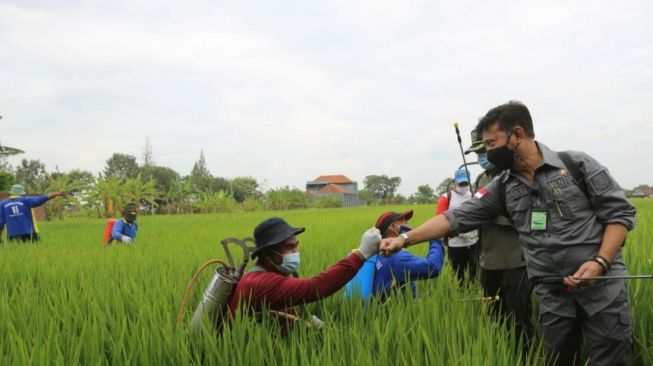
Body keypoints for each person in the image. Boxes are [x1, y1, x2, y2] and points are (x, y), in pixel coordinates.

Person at [380, 101, 636, 366]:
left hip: (603, 294)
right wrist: (403, 239)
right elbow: (454, 218)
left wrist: (600, 262)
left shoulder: (576, 165)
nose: (488, 152)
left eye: (492, 143)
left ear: (517, 134)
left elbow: (619, 215)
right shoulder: (503, 186)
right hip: (554, 299)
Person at [228, 217, 381, 333]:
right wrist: (361, 254)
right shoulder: (261, 282)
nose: (295, 252)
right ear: (268, 253)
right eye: (290, 247)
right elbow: (315, 287)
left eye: (296, 246)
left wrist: (306, 324)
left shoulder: (268, 274)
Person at [465, 129, 534, 350]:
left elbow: (526, 218)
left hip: (515, 261)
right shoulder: (481, 179)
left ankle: (526, 356)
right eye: (477, 154)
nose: (481, 158)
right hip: (488, 262)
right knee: (495, 317)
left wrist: (490, 213)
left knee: (519, 319)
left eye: (484, 151)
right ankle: (502, 353)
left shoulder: (515, 177)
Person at [371, 210, 445, 299]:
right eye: (405, 222)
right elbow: (433, 267)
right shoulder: (396, 256)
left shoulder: (380, 252)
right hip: (396, 311)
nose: (409, 226)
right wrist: (435, 237)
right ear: (395, 227)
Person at [435, 168, 478, 285]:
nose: (463, 186)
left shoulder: (474, 195)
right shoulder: (446, 198)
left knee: (475, 270)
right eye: (461, 183)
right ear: (455, 182)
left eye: (466, 183)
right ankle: (461, 292)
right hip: (455, 243)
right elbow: (439, 220)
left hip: (473, 241)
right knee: (459, 273)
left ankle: (473, 290)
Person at [0, 184, 66, 243]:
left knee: (16, 255)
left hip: (12, 235)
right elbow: (42, 198)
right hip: (29, 233)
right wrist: (57, 193)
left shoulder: (2, 204)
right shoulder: (26, 200)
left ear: (11, 193)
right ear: (22, 193)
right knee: (36, 254)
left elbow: (1, 223)